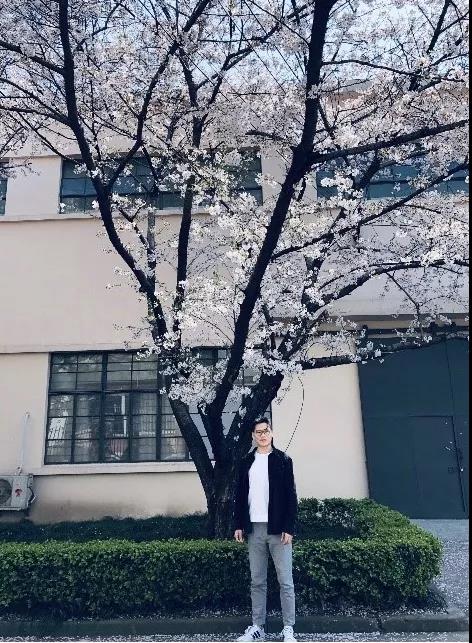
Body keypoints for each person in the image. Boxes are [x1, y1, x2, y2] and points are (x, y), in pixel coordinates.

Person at [233, 417, 298, 642]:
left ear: (272, 433)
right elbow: (240, 495)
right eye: (258, 432)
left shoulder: (283, 460)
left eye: (266, 431)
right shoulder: (246, 462)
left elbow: (291, 496)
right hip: (254, 528)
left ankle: (288, 627)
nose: (262, 435)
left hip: (278, 529)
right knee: (257, 580)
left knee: (285, 580)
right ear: (253, 435)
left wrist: (289, 527)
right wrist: (238, 524)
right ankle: (257, 627)